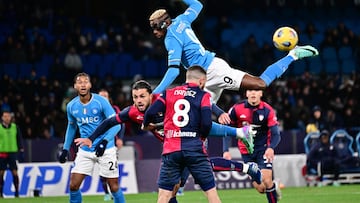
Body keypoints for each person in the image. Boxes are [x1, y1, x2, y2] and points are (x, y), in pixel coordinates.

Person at [75, 77, 261, 203]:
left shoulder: (165, 99)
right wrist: (91, 139)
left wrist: (219, 112)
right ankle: (244, 162)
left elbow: (199, 99)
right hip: (174, 147)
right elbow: (109, 122)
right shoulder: (132, 111)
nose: (138, 101)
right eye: (135, 97)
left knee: (177, 183)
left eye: (142, 96)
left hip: (191, 140)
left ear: (151, 95)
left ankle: (241, 145)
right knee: (173, 188)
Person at [149, 0, 319, 104]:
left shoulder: (171, 39)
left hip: (213, 71)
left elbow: (173, 71)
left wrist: (155, 93)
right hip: (202, 78)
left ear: (164, 24)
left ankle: (293, 55)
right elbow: (197, 4)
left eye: (155, 28)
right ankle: (236, 137)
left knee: (260, 84)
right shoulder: (181, 19)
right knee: (198, 123)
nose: (154, 32)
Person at [58, 72, 125, 203]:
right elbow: (71, 128)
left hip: (106, 149)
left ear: (90, 85)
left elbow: (117, 125)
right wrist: (66, 149)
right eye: (79, 82)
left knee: (114, 187)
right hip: (85, 151)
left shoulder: (101, 102)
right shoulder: (71, 106)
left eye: (85, 81)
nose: (83, 84)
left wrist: (104, 142)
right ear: (75, 86)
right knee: (73, 185)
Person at [222, 89, 282, 203]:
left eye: (256, 90)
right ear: (246, 93)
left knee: (266, 179)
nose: (253, 93)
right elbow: (227, 130)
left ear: (261, 94)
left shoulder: (267, 110)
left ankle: (272, 189)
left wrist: (271, 148)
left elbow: (276, 134)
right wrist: (225, 150)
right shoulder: (237, 109)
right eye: (250, 90)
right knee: (261, 188)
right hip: (246, 152)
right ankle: (274, 188)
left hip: (263, 149)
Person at [98, 89, 126, 201]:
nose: (103, 97)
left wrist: (120, 139)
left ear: (109, 98)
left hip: (111, 145)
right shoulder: (95, 110)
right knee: (102, 172)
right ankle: (106, 193)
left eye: (105, 95)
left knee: (112, 171)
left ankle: (115, 193)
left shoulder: (114, 109)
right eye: (101, 96)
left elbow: (120, 124)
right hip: (98, 144)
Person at [0, 110, 24, 198]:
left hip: (13, 153)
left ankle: (17, 192)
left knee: (14, 172)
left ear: (10, 117)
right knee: (1, 173)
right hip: (2, 153)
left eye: (8, 116)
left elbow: (19, 139)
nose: (7, 118)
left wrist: (21, 150)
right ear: (2, 118)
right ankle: (0, 193)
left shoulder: (15, 127)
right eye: (5, 116)